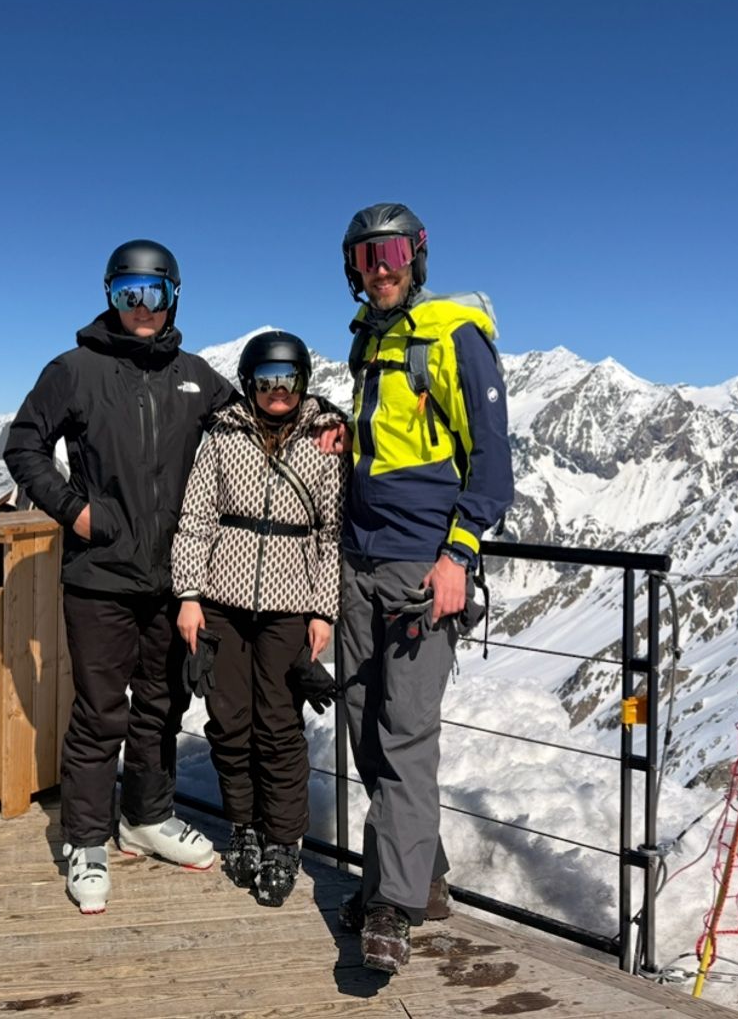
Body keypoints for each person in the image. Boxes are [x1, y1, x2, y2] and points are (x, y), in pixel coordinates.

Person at [4, 239, 239, 915]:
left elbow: (252, 427)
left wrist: (322, 430)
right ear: (109, 296)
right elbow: (23, 445)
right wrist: (73, 512)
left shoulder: (197, 377)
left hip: (173, 579)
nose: (141, 307)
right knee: (100, 713)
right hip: (99, 577)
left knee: (162, 707)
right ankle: (85, 839)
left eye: (153, 292)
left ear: (174, 297)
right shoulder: (74, 370)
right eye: (126, 293)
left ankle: (146, 817)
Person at [320, 203, 514, 973]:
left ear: (419, 256)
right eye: (365, 257)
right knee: (366, 728)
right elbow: (397, 436)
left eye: (393, 251)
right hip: (359, 560)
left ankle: (391, 907)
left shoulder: (455, 336)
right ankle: (421, 879)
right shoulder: (369, 342)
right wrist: (348, 436)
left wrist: (456, 557)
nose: (381, 268)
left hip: (419, 569)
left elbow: (493, 466)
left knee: (405, 735)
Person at [171, 330, 347, 907]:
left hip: (289, 604)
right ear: (249, 382)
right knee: (227, 721)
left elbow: (330, 532)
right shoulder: (223, 432)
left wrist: (323, 610)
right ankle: (243, 827)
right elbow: (196, 516)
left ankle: (283, 839)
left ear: (303, 381)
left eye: (289, 378)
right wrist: (190, 595)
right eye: (267, 379)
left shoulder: (327, 436)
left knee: (277, 726)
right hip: (220, 599)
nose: (278, 390)